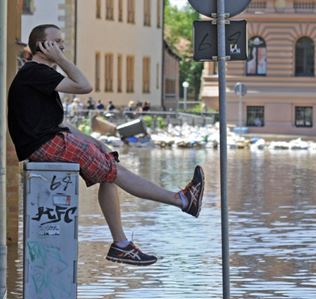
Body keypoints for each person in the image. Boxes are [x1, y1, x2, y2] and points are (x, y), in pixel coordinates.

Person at [7, 24, 205, 266]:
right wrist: (61, 59)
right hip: (44, 145)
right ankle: (181, 200)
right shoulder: (36, 72)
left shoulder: (38, 77)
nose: (62, 46)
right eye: (56, 42)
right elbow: (84, 86)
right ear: (42, 46)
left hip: (48, 141)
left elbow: (59, 123)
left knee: (109, 167)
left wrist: (93, 141)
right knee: (114, 171)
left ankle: (121, 244)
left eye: (62, 42)